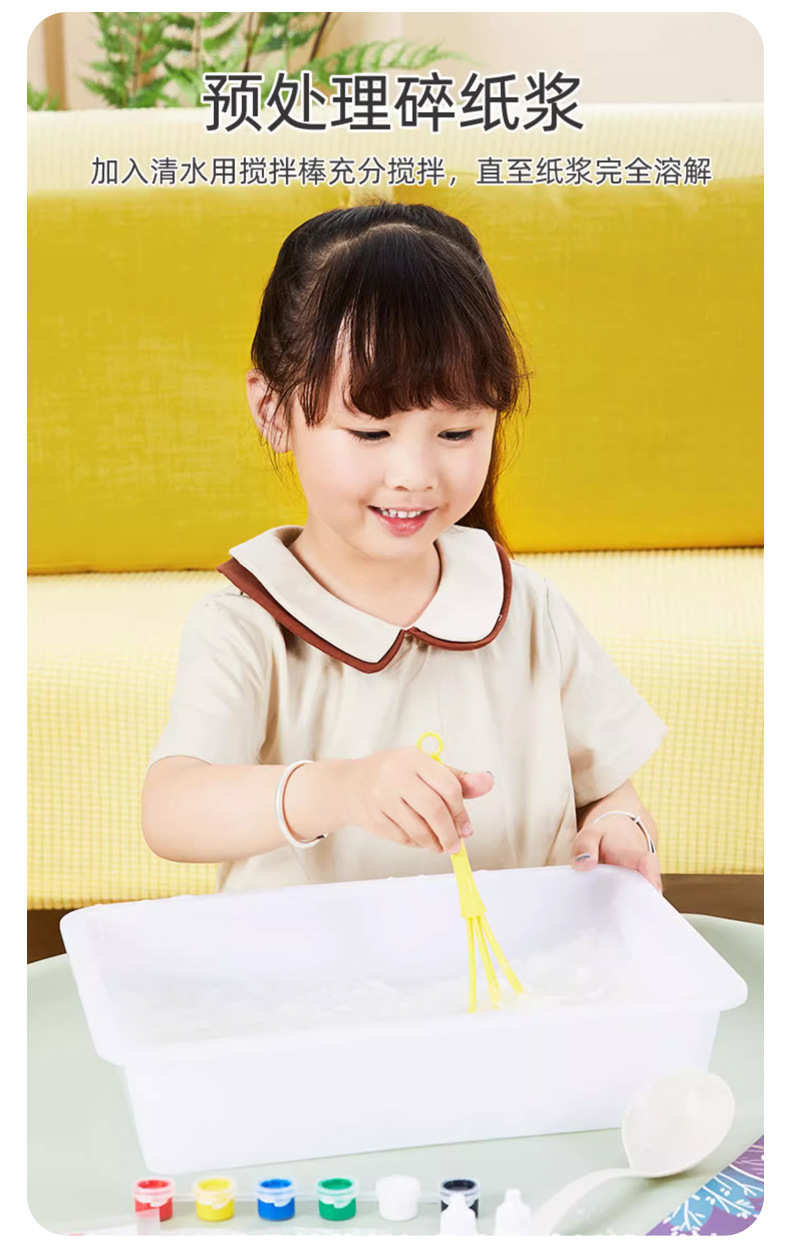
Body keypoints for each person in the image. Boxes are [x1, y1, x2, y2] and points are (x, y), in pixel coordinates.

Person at [142, 202, 667, 895]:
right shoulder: (249, 628)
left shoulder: (526, 607)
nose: (415, 475)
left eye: (457, 433)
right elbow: (171, 809)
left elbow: (610, 791)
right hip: (316, 967)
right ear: (273, 411)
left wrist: (620, 830)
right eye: (370, 433)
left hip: (520, 963)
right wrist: (336, 790)